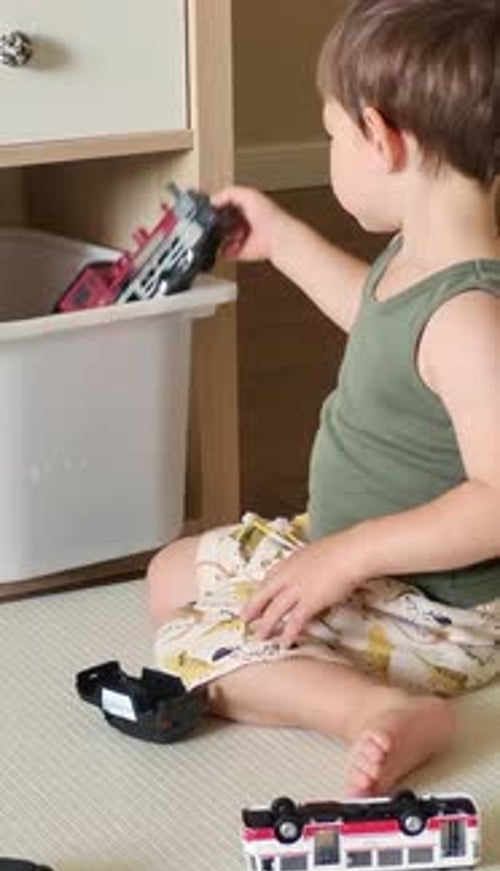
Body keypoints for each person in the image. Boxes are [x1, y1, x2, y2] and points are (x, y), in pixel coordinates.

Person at [147, 0, 500, 796]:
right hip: (359, 551)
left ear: (383, 138)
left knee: (194, 647)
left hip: (431, 609)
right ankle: (344, 674)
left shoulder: (473, 319)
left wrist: (348, 556)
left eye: (332, 132)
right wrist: (283, 240)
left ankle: (374, 711)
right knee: (172, 574)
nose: (333, 146)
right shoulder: (421, 257)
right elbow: (376, 329)